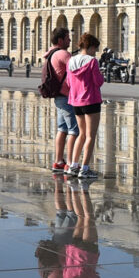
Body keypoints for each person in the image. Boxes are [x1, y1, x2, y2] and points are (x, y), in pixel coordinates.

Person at [66, 33, 104, 181]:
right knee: (90, 136)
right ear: (90, 47)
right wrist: (101, 76)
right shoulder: (92, 61)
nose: (95, 52)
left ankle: (74, 165)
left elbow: (69, 83)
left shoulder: (71, 61)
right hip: (91, 100)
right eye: (95, 48)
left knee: (81, 134)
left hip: (75, 101)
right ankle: (85, 169)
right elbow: (98, 82)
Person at [43, 27, 79, 175]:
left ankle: (59, 161)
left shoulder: (51, 53)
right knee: (74, 130)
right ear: (60, 40)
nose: (70, 40)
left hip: (59, 96)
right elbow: (77, 69)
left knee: (62, 129)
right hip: (66, 96)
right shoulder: (63, 54)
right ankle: (70, 164)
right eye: (67, 38)